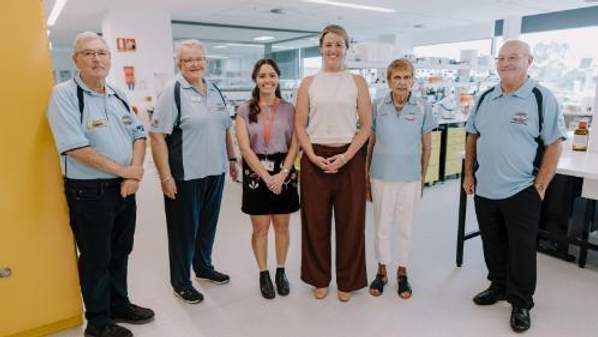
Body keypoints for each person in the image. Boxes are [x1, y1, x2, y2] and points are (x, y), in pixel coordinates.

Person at [47, 32, 154, 337]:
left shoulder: (117, 93)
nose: (96, 59)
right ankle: (97, 322)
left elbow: (139, 135)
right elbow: (74, 148)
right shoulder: (65, 95)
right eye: (88, 53)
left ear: (110, 58)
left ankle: (119, 305)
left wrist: (132, 172)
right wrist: (125, 170)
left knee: (121, 249)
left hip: (122, 188)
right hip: (89, 192)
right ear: (75, 59)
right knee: (96, 257)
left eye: (102, 53)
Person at [464, 40, 566, 332]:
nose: (505, 63)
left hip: (522, 189)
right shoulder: (485, 97)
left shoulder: (540, 98)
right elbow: (472, 137)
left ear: (529, 61)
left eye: (513, 57)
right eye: (501, 58)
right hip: (485, 188)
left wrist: (540, 186)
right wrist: (469, 175)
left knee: (521, 249)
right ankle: (497, 285)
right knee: (492, 241)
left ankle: (520, 302)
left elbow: (554, 144)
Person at [149, 39, 238, 304]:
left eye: (199, 59)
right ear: (179, 63)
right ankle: (181, 282)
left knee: (207, 225)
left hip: (215, 172)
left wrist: (232, 158)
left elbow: (225, 127)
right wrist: (165, 176)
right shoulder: (172, 91)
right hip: (186, 176)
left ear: (206, 61)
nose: (195, 64)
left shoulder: (214, 88)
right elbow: (156, 136)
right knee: (183, 231)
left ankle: (203, 268)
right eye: (188, 60)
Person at [295, 24, 372, 302]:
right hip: (315, 156)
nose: (333, 49)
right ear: (321, 48)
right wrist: (312, 156)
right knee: (315, 222)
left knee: (351, 222)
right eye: (328, 44)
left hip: (349, 156)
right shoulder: (308, 84)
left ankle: (347, 281)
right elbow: (300, 126)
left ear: (347, 48)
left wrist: (347, 156)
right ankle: (319, 278)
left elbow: (365, 126)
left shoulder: (357, 83)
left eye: (339, 44)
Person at [365, 58, 437, 299]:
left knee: (405, 228)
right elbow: (371, 144)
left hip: (410, 179)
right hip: (381, 176)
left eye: (407, 77)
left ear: (413, 81)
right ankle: (382, 271)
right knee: (381, 227)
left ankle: (402, 272)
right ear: (388, 81)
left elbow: (427, 148)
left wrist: (422, 179)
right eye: (397, 77)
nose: (402, 82)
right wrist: (367, 178)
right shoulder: (377, 106)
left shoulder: (423, 107)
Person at [235, 59, 300, 299]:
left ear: (278, 78)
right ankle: (264, 273)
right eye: (262, 76)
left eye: (272, 75)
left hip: (285, 168)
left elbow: (296, 143)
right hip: (255, 171)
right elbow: (244, 147)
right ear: (255, 79)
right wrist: (266, 177)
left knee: (282, 226)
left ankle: (281, 271)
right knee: (260, 228)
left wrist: (282, 174)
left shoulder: (289, 109)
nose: (267, 80)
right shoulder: (244, 110)